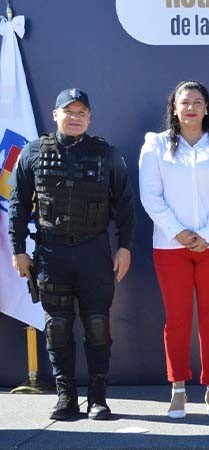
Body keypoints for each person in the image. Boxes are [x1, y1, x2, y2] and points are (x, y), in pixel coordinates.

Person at [8, 88, 135, 421]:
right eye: (69, 111)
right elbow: (18, 205)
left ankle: (98, 399)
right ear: (55, 115)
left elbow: (125, 205)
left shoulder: (107, 154)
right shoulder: (32, 153)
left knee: (97, 325)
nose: (75, 117)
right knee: (58, 327)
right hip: (51, 253)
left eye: (82, 112)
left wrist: (125, 247)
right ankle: (66, 397)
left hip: (94, 252)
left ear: (89, 117)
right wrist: (18, 250)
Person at [138, 80, 209, 419]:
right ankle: (178, 389)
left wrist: (207, 234)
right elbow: (150, 195)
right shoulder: (155, 146)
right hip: (170, 247)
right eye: (185, 102)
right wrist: (178, 232)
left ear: (207, 108)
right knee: (177, 319)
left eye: (198, 102)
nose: (191, 108)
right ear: (174, 108)